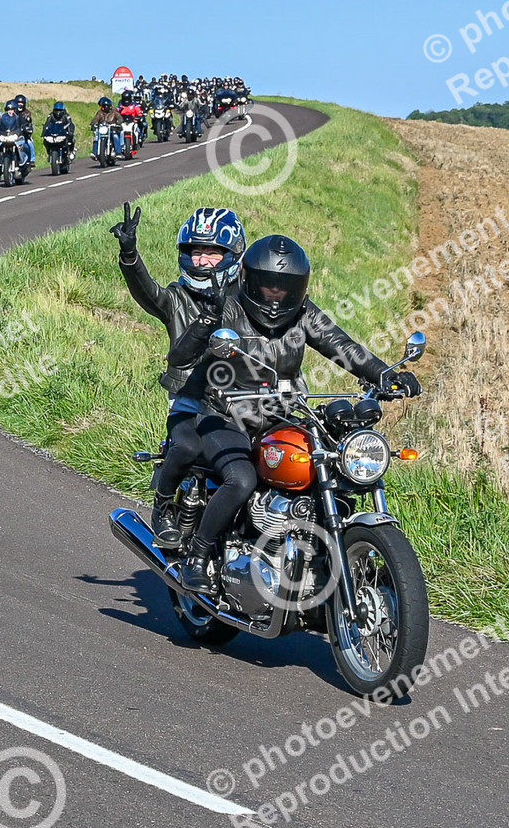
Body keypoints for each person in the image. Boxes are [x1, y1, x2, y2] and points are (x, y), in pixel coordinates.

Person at [171, 235, 423, 593]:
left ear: (300, 288)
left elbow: (343, 346)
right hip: (227, 415)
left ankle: (319, 559)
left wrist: (385, 375)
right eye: (268, 286)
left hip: (284, 414)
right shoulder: (227, 306)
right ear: (248, 279)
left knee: (333, 464)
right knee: (241, 480)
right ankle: (198, 556)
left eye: (285, 288)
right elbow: (181, 357)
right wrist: (207, 320)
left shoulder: (304, 313)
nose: (276, 296)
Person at [111, 204, 245, 548]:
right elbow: (147, 293)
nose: (202, 261)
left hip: (243, 400)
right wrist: (130, 255)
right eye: (196, 251)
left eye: (212, 252)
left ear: (233, 254)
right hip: (190, 398)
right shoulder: (177, 297)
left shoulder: (246, 298)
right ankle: (163, 506)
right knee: (186, 446)